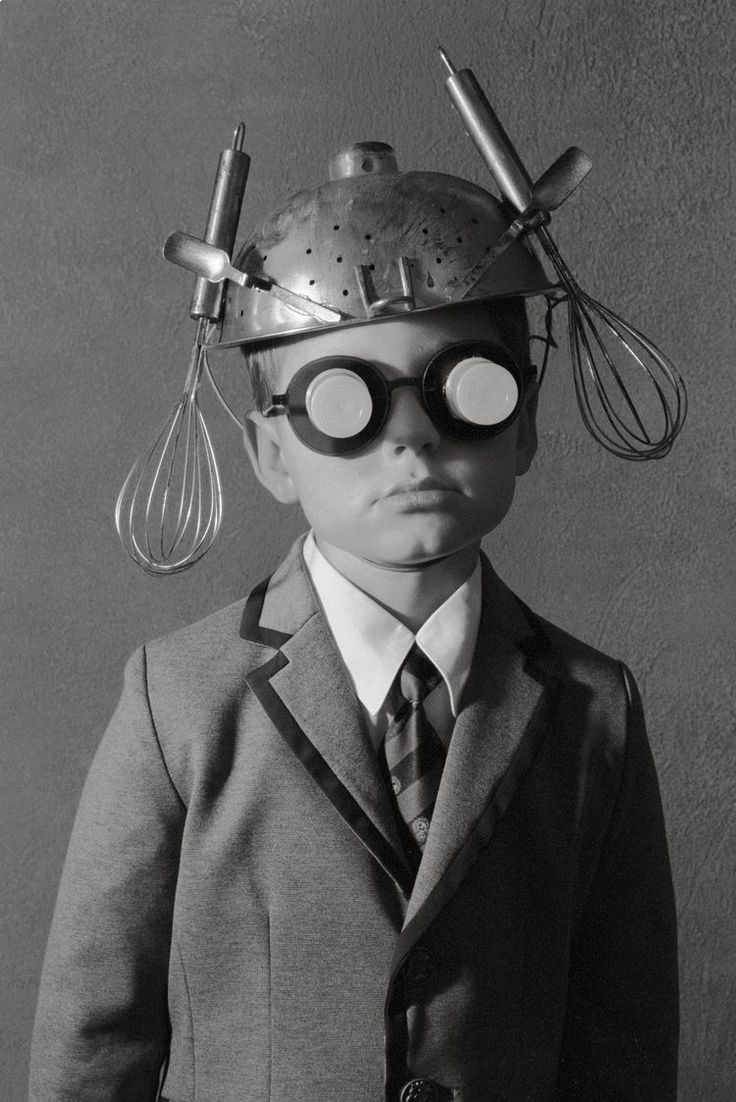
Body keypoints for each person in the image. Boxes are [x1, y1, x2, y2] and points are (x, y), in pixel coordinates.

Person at [30, 141, 679, 1101]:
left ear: (527, 420)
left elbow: (623, 1041)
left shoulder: (595, 710)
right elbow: (96, 1034)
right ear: (272, 454)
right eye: (348, 402)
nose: (411, 436)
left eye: (467, 389)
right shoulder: (180, 701)